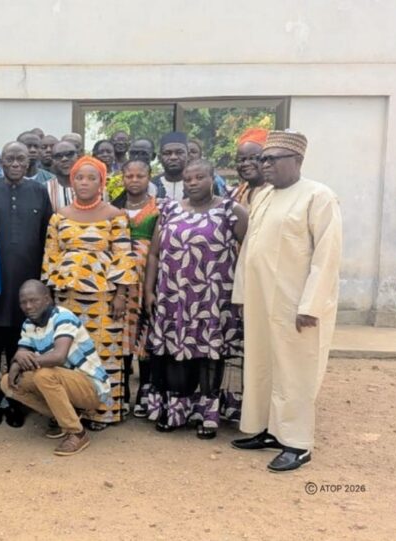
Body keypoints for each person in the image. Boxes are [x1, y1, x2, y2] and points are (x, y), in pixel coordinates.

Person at [231, 131, 342, 472]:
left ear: (297, 161)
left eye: (271, 159)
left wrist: (311, 305)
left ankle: (296, 443)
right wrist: (241, 293)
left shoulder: (318, 196)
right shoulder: (262, 196)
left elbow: (328, 255)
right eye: (262, 159)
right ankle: (266, 429)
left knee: (295, 371)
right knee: (262, 364)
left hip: (296, 305)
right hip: (260, 299)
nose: (264, 165)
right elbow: (250, 248)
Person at [144, 160, 247, 438]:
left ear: (213, 178)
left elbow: (249, 252)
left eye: (200, 177)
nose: (192, 182)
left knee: (209, 354)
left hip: (213, 298)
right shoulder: (170, 209)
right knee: (176, 354)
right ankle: (176, 411)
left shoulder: (231, 211)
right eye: (188, 178)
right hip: (173, 296)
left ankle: (209, 416)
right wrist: (149, 290)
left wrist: (243, 293)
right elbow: (154, 254)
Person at [42, 156, 137, 429]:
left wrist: (121, 295)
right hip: (66, 295)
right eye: (79, 178)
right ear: (72, 182)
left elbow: (123, 256)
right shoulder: (60, 215)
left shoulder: (114, 215)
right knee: (69, 351)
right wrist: (49, 295)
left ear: (101, 182)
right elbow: (51, 255)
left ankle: (101, 411)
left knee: (102, 352)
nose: (84, 183)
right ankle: (69, 411)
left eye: (91, 178)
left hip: (103, 296)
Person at [0, 142, 53, 427]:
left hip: (27, 290)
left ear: (28, 162)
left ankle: (16, 403)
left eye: (20, 159)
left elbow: (47, 237)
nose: (15, 163)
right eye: (9, 158)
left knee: (20, 349)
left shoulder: (38, 191)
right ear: (1, 161)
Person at [1, 280, 112, 456]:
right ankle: (65, 416)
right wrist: (17, 360)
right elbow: (22, 352)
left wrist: (21, 360)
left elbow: (58, 356)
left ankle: (77, 432)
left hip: (90, 387)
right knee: (8, 382)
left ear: (47, 299)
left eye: (33, 300)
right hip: (64, 382)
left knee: (43, 375)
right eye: (23, 302)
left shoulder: (62, 316)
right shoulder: (29, 324)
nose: (28, 306)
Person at [111, 159, 159, 417]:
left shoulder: (159, 207)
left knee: (145, 332)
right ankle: (121, 390)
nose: (134, 180)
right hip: (120, 278)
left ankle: (145, 392)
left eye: (140, 175)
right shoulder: (113, 206)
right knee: (121, 333)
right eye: (129, 175)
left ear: (149, 177)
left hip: (147, 276)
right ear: (122, 178)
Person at [231, 128, 269, 208]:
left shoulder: (273, 191)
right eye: (241, 160)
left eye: (252, 158)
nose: (245, 164)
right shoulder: (239, 193)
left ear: (266, 158)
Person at [151, 132, 189, 200]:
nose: (173, 157)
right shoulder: (151, 185)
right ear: (160, 158)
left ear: (188, 155)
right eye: (167, 153)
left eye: (179, 152)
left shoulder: (197, 185)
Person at [46, 141, 79, 213]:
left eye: (70, 154)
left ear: (78, 156)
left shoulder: (95, 187)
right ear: (52, 161)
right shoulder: (44, 189)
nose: (64, 159)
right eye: (58, 156)